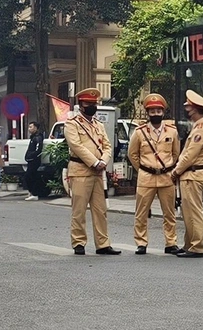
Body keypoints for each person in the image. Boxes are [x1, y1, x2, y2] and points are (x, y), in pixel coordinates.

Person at [65, 87, 119, 255]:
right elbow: (76, 146)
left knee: (100, 210)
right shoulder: (72, 124)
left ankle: (103, 244)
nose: (92, 106)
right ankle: (79, 242)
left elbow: (107, 146)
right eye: (89, 103)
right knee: (79, 210)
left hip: (97, 173)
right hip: (80, 170)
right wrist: (94, 162)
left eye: (94, 104)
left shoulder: (98, 125)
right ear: (81, 105)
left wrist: (103, 160)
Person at [128, 94, 182, 255]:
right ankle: (141, 242)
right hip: (146, 177)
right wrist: (144, 169)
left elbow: (175, 154)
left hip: (166, 177)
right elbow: (133, 155)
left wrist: (168, 169)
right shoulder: (139, 132)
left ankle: (171, 243)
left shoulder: (172, 132)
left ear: (163, 112)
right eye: (152, 111)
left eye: (158, 111)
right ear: (147, 113)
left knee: (169, 213)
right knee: (141, 212)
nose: (155, 114)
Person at [170, 89, 203, 258]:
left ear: (194, 109)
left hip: (193, 175)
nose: (186, 110)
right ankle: (189, 244)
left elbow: (189, 156)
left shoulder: (201, 130)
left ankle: (196, 247)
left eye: (188, 107)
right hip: (191, 175)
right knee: (188, 212)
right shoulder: (200, 126)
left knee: (193, 212)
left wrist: (175, 171)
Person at [24, 121, 44, 201]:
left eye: (31, 127)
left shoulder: (38, 138)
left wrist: (31, 156)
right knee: (30, 177)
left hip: (34, 160)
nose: (29, 129)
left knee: (30, 176)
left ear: (36, 128)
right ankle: (32, 192)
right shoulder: (33, 137)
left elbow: (38, 150)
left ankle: (34, 193)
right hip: (30, 160)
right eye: (29, 127)